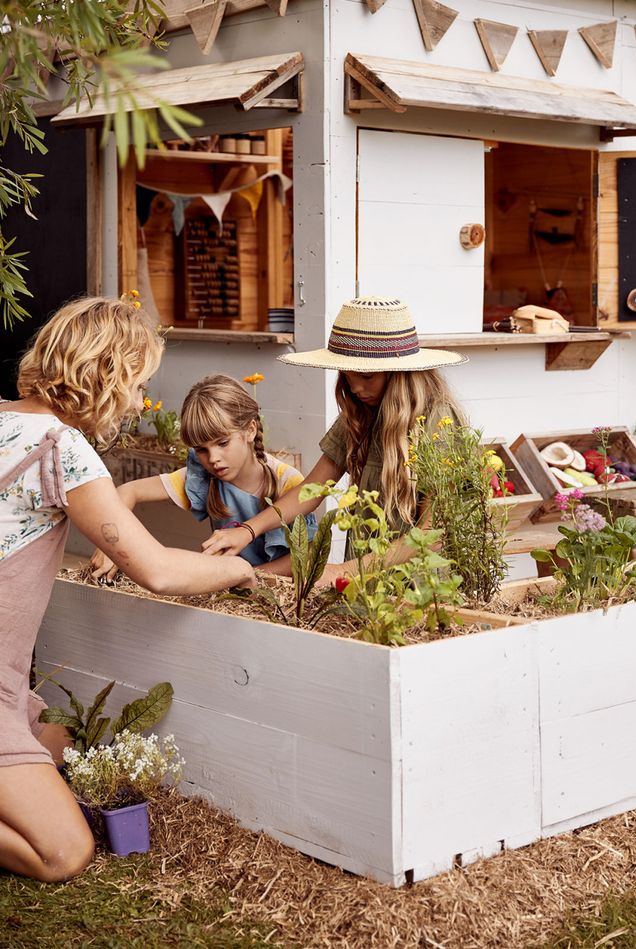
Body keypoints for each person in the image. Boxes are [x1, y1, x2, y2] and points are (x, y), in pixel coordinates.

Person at [0, 297, 256, 884]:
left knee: (67, 746)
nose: (140, 401)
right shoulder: (60, 450)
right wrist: (241, 571)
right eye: (137, 383)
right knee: (65, 851)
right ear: (107, 375)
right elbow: (160, 571)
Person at [200, 296, 467, 581]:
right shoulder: (361, 413)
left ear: (400, 373)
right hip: (364, 584)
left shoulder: (438, 420)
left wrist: (342, 572)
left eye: (366, 376)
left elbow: (431, 533)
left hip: (421, 591)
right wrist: (247, 530)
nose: (355, 388)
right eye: (347, 375)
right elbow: (312, 490)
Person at [89, 374, 317, 582]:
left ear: (250, 430)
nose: (213, 459)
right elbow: (129, 491)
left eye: (222, 443)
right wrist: (111, 546)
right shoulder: (205, 477)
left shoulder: (288, 483)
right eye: (201, 450)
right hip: (229, 589)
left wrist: (245, 576)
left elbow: (303, 559)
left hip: (282, 591)